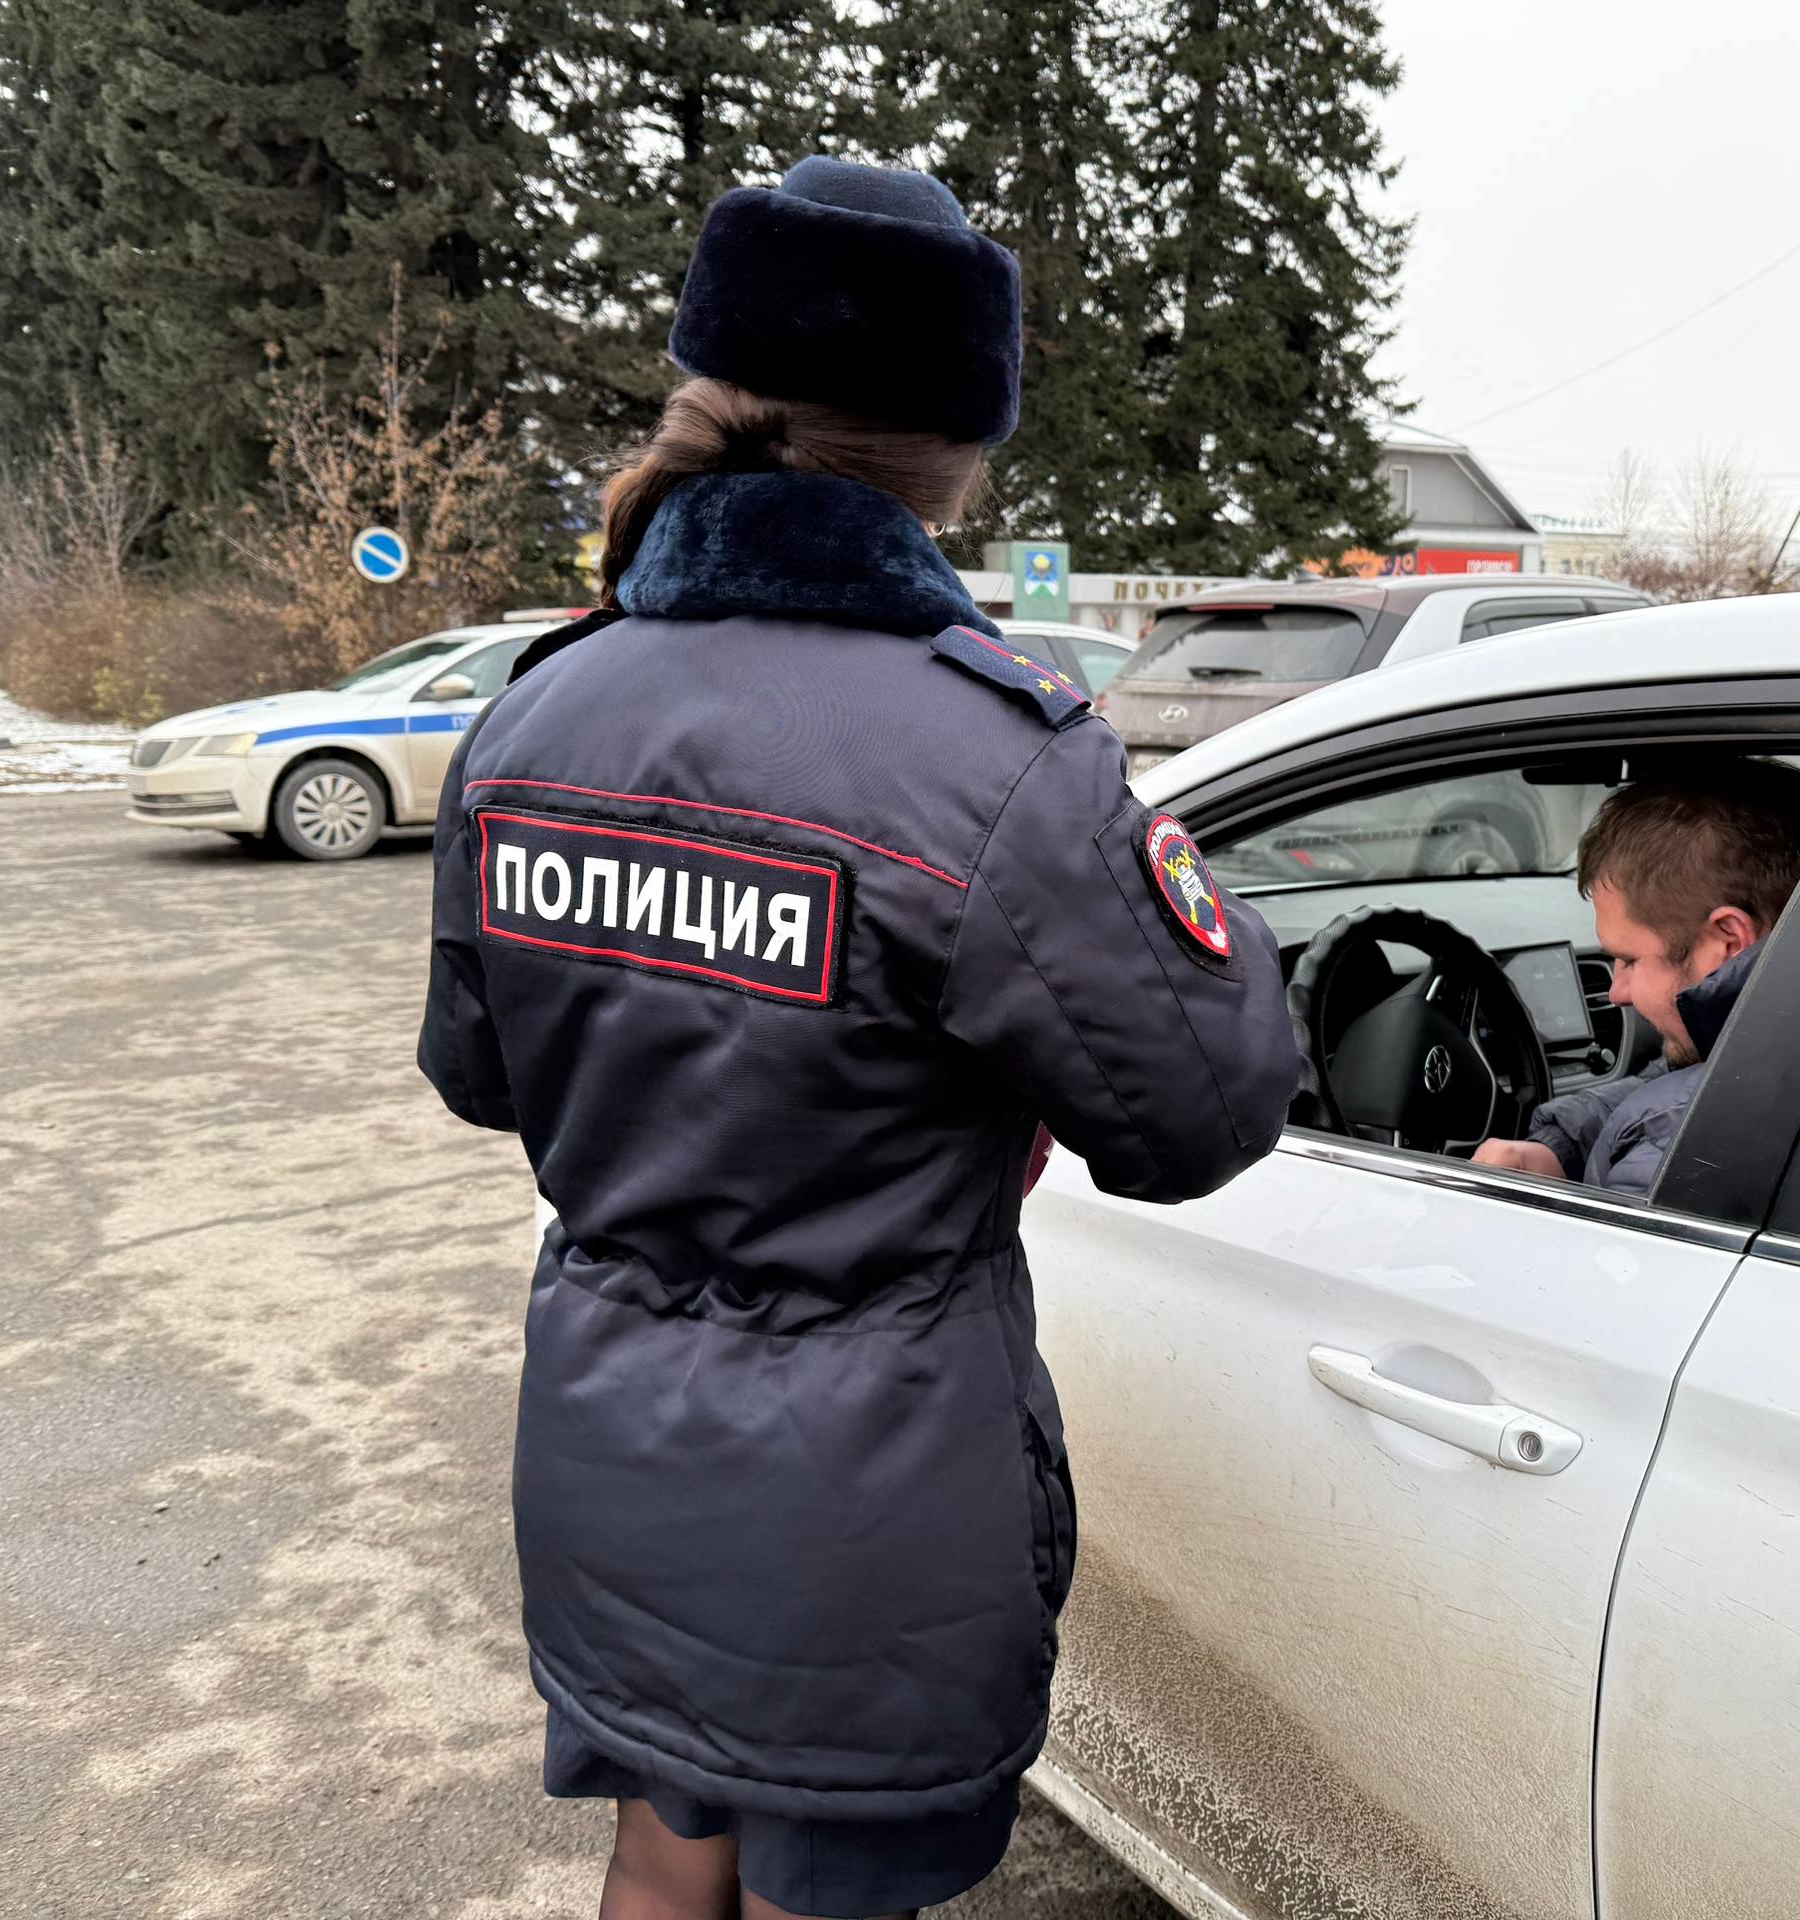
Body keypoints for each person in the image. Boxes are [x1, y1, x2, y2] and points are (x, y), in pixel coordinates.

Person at [417, 157, 1300, 1920]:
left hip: (610, 1453)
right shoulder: (998, 758)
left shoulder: (535, 714)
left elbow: (480, 1072)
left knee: (663, 1863)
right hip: (868, 1508)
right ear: (951, 452)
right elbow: (1205, 1108)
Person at [1470, 760, 1800, 1198]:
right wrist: (1559, 1150)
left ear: (1729, 942)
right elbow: (1676, 1079)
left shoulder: (1674, 1156)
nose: (1615, 992)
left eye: (1630, 960)